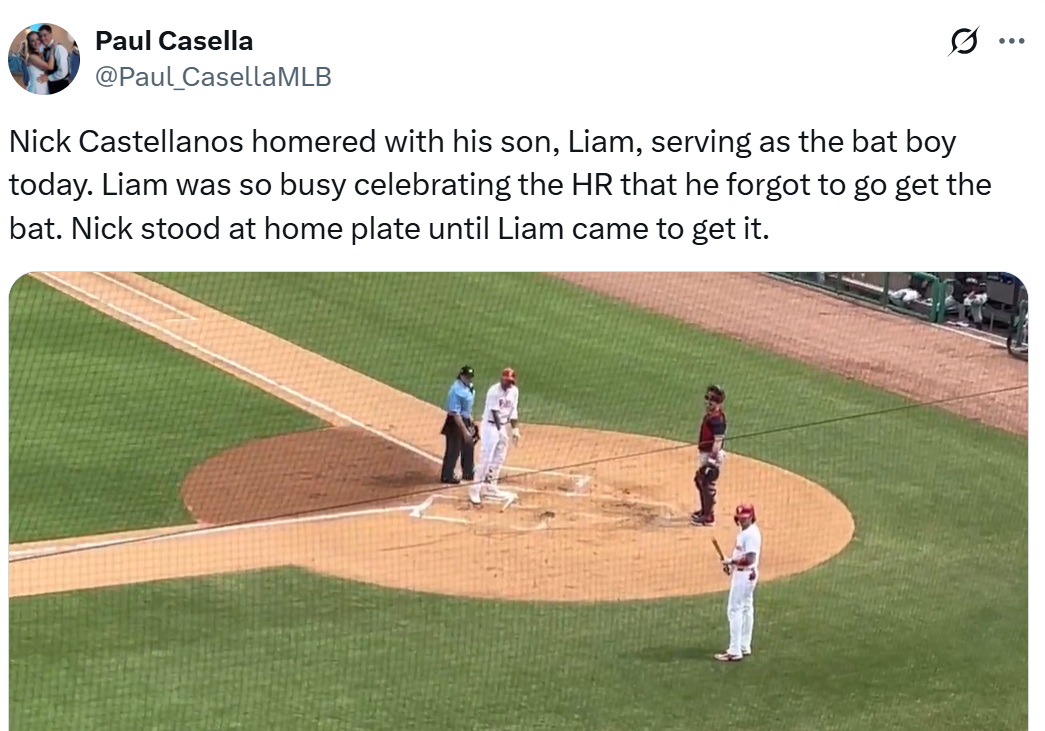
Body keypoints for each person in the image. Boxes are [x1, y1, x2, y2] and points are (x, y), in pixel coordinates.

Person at [715, 503, 762, 662]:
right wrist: (732, 565)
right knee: (746, 608)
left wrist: (731, 561)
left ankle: (735, 650)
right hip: (746, 575)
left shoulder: (751, 534)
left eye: (745, 518)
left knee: (734, 609)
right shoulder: (746, 532)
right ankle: (744, 645)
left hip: (745, 575)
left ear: (751, 517)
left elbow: (750, 559)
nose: (741, 521)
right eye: (740, 518)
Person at [469, 367, 521, 507]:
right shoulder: (494, 391)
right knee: (486, 458)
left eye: (510, 381)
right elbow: (496, 414)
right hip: (490, 426)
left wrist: (514, 429)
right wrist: (501, 432)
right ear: (501, 379)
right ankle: (475, 489)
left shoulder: (514, 392)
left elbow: (513, 412)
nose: (507, 383)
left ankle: (491, 487)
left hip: (501, 426)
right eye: (505, 380)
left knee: (499, 457)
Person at [691, 385, 727, 527]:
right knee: (700, 481)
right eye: (707, 398)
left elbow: (718, 442)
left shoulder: (717, 420)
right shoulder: (711, 416)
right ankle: (704, 511)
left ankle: (709, 516)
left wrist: (711, 463)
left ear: (718, 402)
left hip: (712, 455)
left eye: (711, 400)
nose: (708, 402)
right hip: (706, 453)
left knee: (707, 483)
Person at [439, 365, 477, 484]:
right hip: (455, 422)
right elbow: (456, 413)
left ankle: (468, 471)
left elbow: (467, 407)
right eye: (466, 377)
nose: (469, 379)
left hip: (465, 418)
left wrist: (470, 419)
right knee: (453, 449)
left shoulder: (469, 387)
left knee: (469, 445)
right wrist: (465, 431)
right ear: (461, 376)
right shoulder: (456, 391)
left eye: (470, 377)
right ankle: (447, 475)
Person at [36, 25, 70, 94]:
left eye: (45, 35)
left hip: (60, 85)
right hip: (51, 85)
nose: (42, 38)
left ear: (51, 34)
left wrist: (48, 77)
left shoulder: (59, 48)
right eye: (40, 36)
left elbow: (63, 72)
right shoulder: (44, 49)